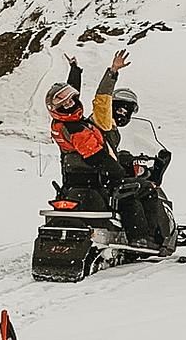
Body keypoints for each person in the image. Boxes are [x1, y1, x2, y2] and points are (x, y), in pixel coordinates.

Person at [46, 48, 172, 252]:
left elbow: (70, 99)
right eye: (120, 107)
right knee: (143, 190)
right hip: (96, 179)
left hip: (75, 181)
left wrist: (75, 72)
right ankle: (144, 238)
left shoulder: (69, 122)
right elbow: (101, 101)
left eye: (127, 110)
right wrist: (112, 72)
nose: (122, 113)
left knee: (129, 182)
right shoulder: (93, 124)